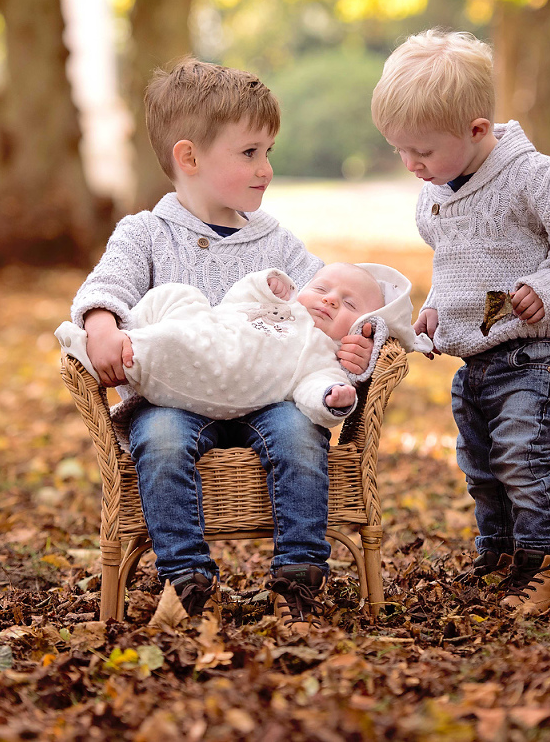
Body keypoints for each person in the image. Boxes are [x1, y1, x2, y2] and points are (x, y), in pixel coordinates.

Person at [68, 58, 378, 634]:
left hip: (266, 395)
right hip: (174, 398)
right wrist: (103, 324)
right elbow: (104, 287)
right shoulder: (145, 233)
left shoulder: (276, 241)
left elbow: (333, 302)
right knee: (158, 440)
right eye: (249, 153)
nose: (265, 168)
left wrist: (356, 345)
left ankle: (299, 569)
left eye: (268, 152)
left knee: (300, 433)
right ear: (189, 158)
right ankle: (187, 577)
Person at [371, 29, 550, 616]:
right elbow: (459, 267)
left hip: (539, 354)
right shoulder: (436, 192)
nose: (410, 164)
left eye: (421, 150)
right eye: (400, 150)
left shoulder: (534, 178)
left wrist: (546, 287)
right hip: (479, 357)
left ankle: (542, 563)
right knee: (479, 461)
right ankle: (498, 552)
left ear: (477, 130)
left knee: (520, 454)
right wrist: (436, 309)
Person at [118, 264, 385, 426]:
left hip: (222, 369)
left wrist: (332, 398)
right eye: (320, 289)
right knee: (176, 295)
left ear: (359, 325)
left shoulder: (322, 355)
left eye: (349, 304)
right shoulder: (284, 304)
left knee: (175, 342)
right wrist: (264, 285)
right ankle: (124, 334)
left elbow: (314, 389)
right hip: (212, 326)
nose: (330, 300)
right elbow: (236, 301)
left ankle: (131, 353)